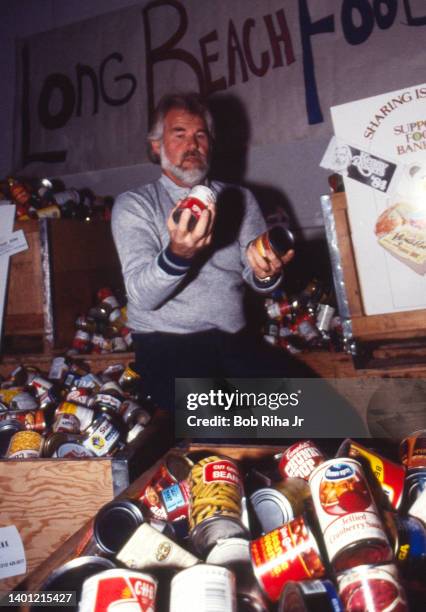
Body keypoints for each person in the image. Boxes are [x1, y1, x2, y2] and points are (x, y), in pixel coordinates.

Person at [111, 92, 314, 411]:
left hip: (235, 343)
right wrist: (178, 254)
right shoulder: (135, 204)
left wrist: (267, 272)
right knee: (227, 437)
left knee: (324, 416)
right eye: (179, 135)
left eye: (200, 135)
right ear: (156, 146)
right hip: (169, 347)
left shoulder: (239, 198)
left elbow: (258, 276)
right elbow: (142, 296)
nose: (192, 145)